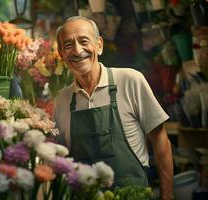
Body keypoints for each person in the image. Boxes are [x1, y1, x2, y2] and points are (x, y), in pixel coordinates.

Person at [53, 16, 173, 200]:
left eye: (84, 41)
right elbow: (61, 158)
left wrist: (167, 195)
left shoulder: (130, 80)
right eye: (68, 45)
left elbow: (160, 140)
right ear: (61, 54)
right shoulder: (62, 100)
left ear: (99, 45)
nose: (77, 50)